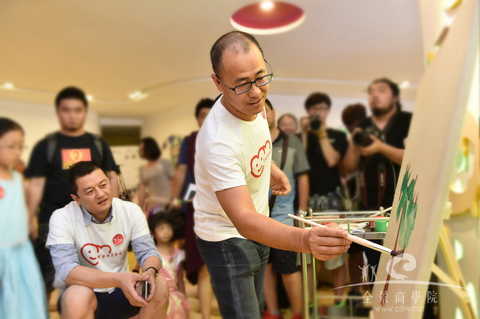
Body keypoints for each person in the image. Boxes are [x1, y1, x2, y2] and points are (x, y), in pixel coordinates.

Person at [194, 30, 351, 319]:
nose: (255, 92)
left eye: (260, 77)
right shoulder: (217, 140)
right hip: (225, 236)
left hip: (257, 220)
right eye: (241, 85)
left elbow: (253, 144)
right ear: (217, 82)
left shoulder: (254, 108)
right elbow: (243, 220)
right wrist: (305, 240)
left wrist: (272, 169)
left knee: (258, 301)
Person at [25, 86, 120, 298]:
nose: (72, 116)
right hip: (50, 222)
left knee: (95, 276)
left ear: (85, 112)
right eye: (66, 110)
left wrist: (115, 211)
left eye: (77, 110)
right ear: (58, 112)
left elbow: (111, 176)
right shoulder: (46, 146)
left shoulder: (98, 143)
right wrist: (29, 217)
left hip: (92, 223)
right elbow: (36, 184)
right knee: (47, 279)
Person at [46, 161, 169, 319]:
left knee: (159, 285)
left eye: (103, 185)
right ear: (76, 198)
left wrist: (150, 271)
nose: (101, 194)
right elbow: (67, 271)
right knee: (76, 297)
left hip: (125, 290)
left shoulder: (130, 210)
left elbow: (147, 251)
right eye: (90, 191)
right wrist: (118, 279)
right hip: (86, 291)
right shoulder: (62, 217)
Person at [342, 78, 412, 282]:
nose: (374, 95)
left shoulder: (408, 121)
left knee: (405, 265)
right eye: (371, 91)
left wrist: (381, 147)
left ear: (395, 97)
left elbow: (415, 159)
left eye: (381, 90)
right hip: (371, 207)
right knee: (375, 266)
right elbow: (347, 168)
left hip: (405, 206)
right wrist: (354, 145)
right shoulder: (363, 126)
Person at [263, 100, 310, 319]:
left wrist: (301, 213)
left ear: (274, 112)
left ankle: (298, 314)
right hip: (257, 217)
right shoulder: (252, 140)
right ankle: (272, 312)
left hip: (285, 217)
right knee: (265, 268)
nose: (262, 113)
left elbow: (302, 178)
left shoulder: (293, 141)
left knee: (289, 268)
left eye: (267, 108)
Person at [169, 97, 214, 319]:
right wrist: (175, 201)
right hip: (195, 209)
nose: (206, 119)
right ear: (197, 119)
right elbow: (181, 172)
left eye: (210, 114)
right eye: (202, 115)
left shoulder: (224, 138)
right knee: (201, 265)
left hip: (224, 209)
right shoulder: (190, 141)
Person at [0, 118, 47, 319]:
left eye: (21, 147)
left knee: (24, 304)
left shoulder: (19, 179)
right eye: (11, 146)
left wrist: (30, 221)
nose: (17, 152)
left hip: (21, 253)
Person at [149, 213, 189, 319]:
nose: (166, 232)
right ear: (153, 232)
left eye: (168, 228)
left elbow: (180, 279)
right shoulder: (150, 255)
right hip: (157, 298)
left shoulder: (179, 254)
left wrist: (184, 297)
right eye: (161, 228)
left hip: (175, 299)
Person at [136, 137, 174, 215]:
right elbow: (142, 190)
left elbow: (174, 182)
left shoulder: (165, 163)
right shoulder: (142, 169)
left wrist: (173, 200)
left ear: (149, 148)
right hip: (152, 205)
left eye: (142, 149)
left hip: (167, 204)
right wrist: (139, 207)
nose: (140, 152)